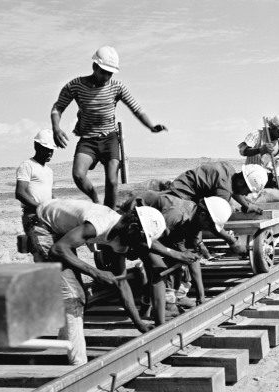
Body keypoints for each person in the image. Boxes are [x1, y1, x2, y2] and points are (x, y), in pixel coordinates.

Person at [30, 199, 166, 365]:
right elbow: (58, 249)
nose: (140, 245)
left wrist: (139, 324)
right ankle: (78, 365)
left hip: (61, 231)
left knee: (76, 294)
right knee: (74, 296)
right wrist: (96, 273)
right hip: (43, 227)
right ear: (132, 228)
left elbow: (121, 283)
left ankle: (64, 342)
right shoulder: (101, 222)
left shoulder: (121, 239)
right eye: (141, 239)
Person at [51, 46, 167, 209]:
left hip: (110, 139)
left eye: (110, 73)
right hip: (88, 140)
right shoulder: (76, 85)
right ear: (94, 67)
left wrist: (151, 126)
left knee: (112, 181)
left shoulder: (117, 87)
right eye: (103, 72)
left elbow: (136, 108)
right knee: (78, 175)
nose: (106, 76)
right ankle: (95, 200)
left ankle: (109, 214)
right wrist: (56, 128)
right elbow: (58, 107)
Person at [120, 193, 233, 316]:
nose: (209, 229)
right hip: (134, 225)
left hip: (154, 231)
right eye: (210, 225)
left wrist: (201, 296)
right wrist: (177, 255)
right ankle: (163, 306)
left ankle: (164, 302)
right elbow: (148, 240)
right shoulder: (176, 215)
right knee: (159, 267)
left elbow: (192, 257)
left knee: (178, 262)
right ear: (203, 215)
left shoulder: (195, 220)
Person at [15, 130, 56, 260]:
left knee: (52, 252)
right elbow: (20, 192)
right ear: (36, 147)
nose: (50, 153)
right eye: (46, 149)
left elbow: (48, 194)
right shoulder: (27, 165)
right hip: (33, 216)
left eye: (51, 150)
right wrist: (40, 207)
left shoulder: (49, 171)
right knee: (42, 254)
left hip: (47, 216)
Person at [238, 114, 279, 190]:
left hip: (269, 179)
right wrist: (260, 150)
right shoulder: (256, 135)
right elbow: (243, 151)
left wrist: (278, 179)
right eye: (278, 132)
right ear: (272, 127)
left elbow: (277, 165)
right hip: (252, 177)